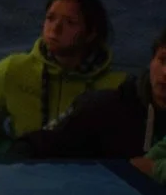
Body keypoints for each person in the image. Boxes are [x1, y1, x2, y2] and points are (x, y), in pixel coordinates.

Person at [0, 0, 125, 149]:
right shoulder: (13, 69)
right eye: (50, 18)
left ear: (91, 33)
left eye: (70, 23)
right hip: (27, 169)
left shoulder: (115, 87)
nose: (55, 28)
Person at [13, 26, 166, 161]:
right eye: (163, 60)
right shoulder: (104, 108)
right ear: (151, 61)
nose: (165, 72)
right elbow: (41, 143)